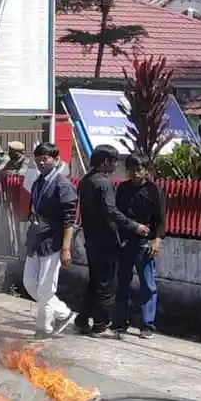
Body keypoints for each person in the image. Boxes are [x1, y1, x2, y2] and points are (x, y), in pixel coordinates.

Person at [76, 144, 149, 336]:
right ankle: (100, 323)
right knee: (106, 284)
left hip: (91, 239)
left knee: (94, 281)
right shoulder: (104, 183)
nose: (116, 166)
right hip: (106, 239)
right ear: (106, 161)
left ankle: (82, 319)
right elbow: (111, 211)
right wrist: (135, 226)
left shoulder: (85, 181)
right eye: (114, 161)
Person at [22, 142, 79, 339]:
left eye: (45, 159)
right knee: (29, 283)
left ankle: (44, 328)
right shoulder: (38, 182)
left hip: (53, 241)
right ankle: (63, 313)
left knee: (46, 287)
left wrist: (66, 248)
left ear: (56, 159)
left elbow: (69, 220)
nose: (41, 163)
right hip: (36, 239)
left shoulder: (63, 185)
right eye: (38, 160)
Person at [113, 155, 166, 339]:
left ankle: (147, 324)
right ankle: (119, 322)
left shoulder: (154, 191)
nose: (135, 173)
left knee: (147, 285)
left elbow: (160, 219)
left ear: (146, 169)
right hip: (125, 242)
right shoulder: (123, 189)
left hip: (145, 244)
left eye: (139, 169)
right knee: (122, 284)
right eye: (131, 169)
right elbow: (117, 214)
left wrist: (156, 240)